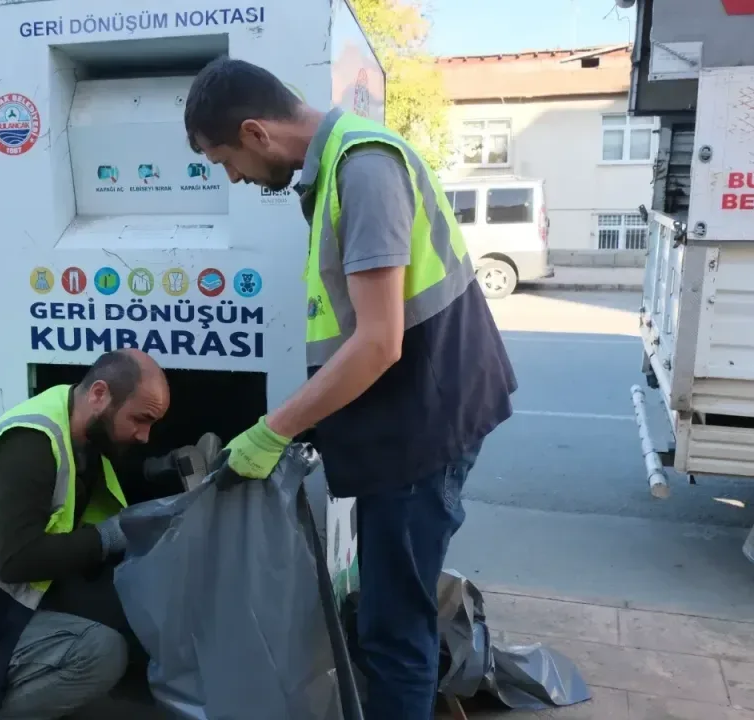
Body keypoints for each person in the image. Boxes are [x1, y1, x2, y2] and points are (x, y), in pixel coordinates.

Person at [183, 57, 518, 719]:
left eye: (224, 160)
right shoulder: (341, 163)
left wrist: (273, 428)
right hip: (412, 416)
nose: (234, 178)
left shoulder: (362, 169)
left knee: (393, 629)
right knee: (392, 610)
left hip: (421, 430)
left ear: (256, 133)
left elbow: (378, 342)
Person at [0, 349, 170, 719]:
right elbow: (15, 562)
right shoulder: (32, 444)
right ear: (100, 394)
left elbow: (94, 484)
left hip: (0, 593)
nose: (144, 435)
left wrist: (161, 470)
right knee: (100, 652)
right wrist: (108, 536)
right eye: (141, 419)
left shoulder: (74, 421)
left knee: (135, 601)